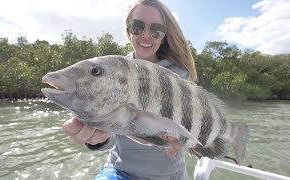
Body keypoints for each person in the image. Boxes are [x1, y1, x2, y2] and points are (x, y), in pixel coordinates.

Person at [62, 0, 197, 179]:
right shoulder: (109, 70)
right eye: (137, 27)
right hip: (119, 172)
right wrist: (97, 138)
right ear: (128, 30)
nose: (146, 35)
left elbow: (190, 125)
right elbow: (113, 134)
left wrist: (184, 140)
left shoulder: (179, 74)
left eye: (156, 30)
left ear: (163, 36)